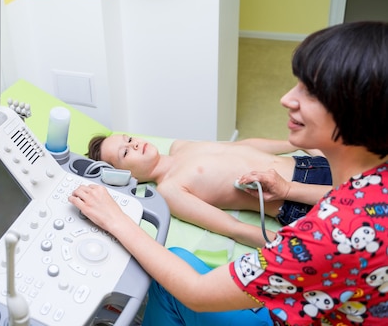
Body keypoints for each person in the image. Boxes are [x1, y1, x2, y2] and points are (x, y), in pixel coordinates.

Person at [69, 21, 388, 325]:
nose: (286, 98)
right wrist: (290, 185)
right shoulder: (372, 185)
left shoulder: (324, 235)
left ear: (358, 110)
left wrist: (115, 219)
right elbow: (228, 225)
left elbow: (197, 294)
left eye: (311, 91)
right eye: (125, 152)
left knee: (164, 284)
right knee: (175, 256)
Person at [87, 134, 331, 246]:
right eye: (126, 152)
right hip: (298, 204)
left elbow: (240, 147)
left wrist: (295, 143)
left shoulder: (180, 146)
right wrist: (284, 246)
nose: (135, 143)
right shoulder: (170, 190)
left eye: (129, 139)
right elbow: (230, 227)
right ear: (123, 176)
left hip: (310, 165)